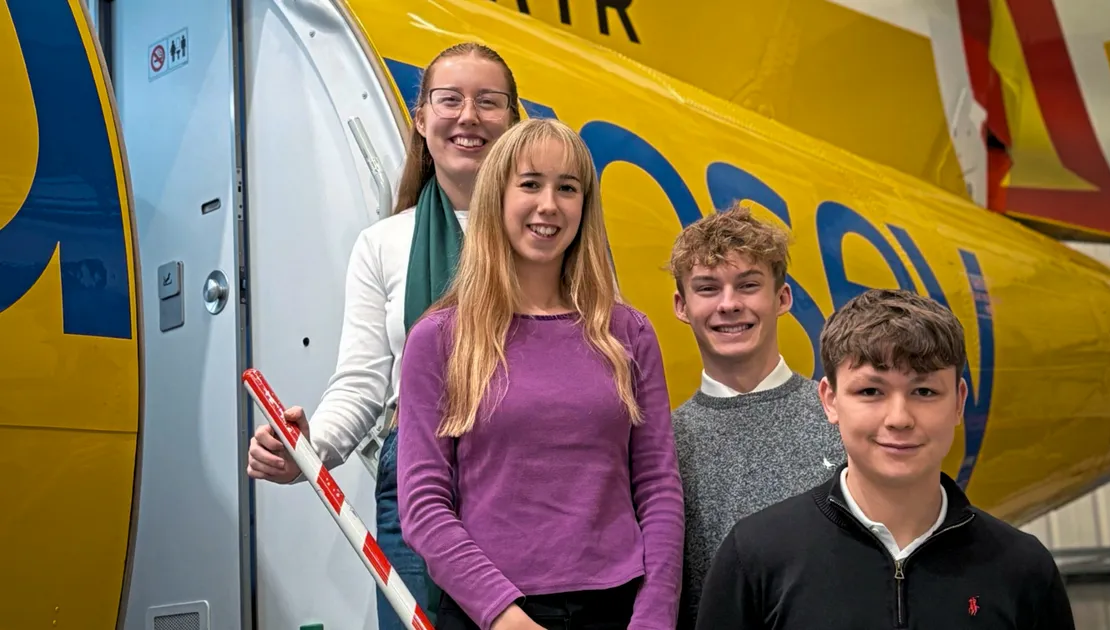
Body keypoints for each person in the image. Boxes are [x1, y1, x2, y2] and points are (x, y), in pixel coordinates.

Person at [245, 42, 522, 628]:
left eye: (489, 102)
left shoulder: (546, 232)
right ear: (421, 120)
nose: (468, 116)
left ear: (513, 122)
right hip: (418, 476)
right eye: (449, 100)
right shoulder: (383, 244)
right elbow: (364, 381)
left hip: (529, 471)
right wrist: (308, 449)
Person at [394, 118, 685, 630]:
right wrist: (505, 616)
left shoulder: (628, 333)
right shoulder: (439, 339)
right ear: (496, 198)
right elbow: (422, 506)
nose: (549, 205)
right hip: (492, 615)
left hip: (617, 609)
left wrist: (654, 616)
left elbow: (659, 489)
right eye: (530, 184)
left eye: (567, 188)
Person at [694, 289, 1076, 629]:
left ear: (959, 402)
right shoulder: (756, 556)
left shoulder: (1022, 568)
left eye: (924, 391)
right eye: (871, 391)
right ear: (830, 400)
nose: (899, 419)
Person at [666, 204, 845, 629]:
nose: (729, 305)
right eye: (707, 288)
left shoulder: (840, 418)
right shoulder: (663, 442)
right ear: (681, 305)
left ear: (782, 297)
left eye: (748, 285)